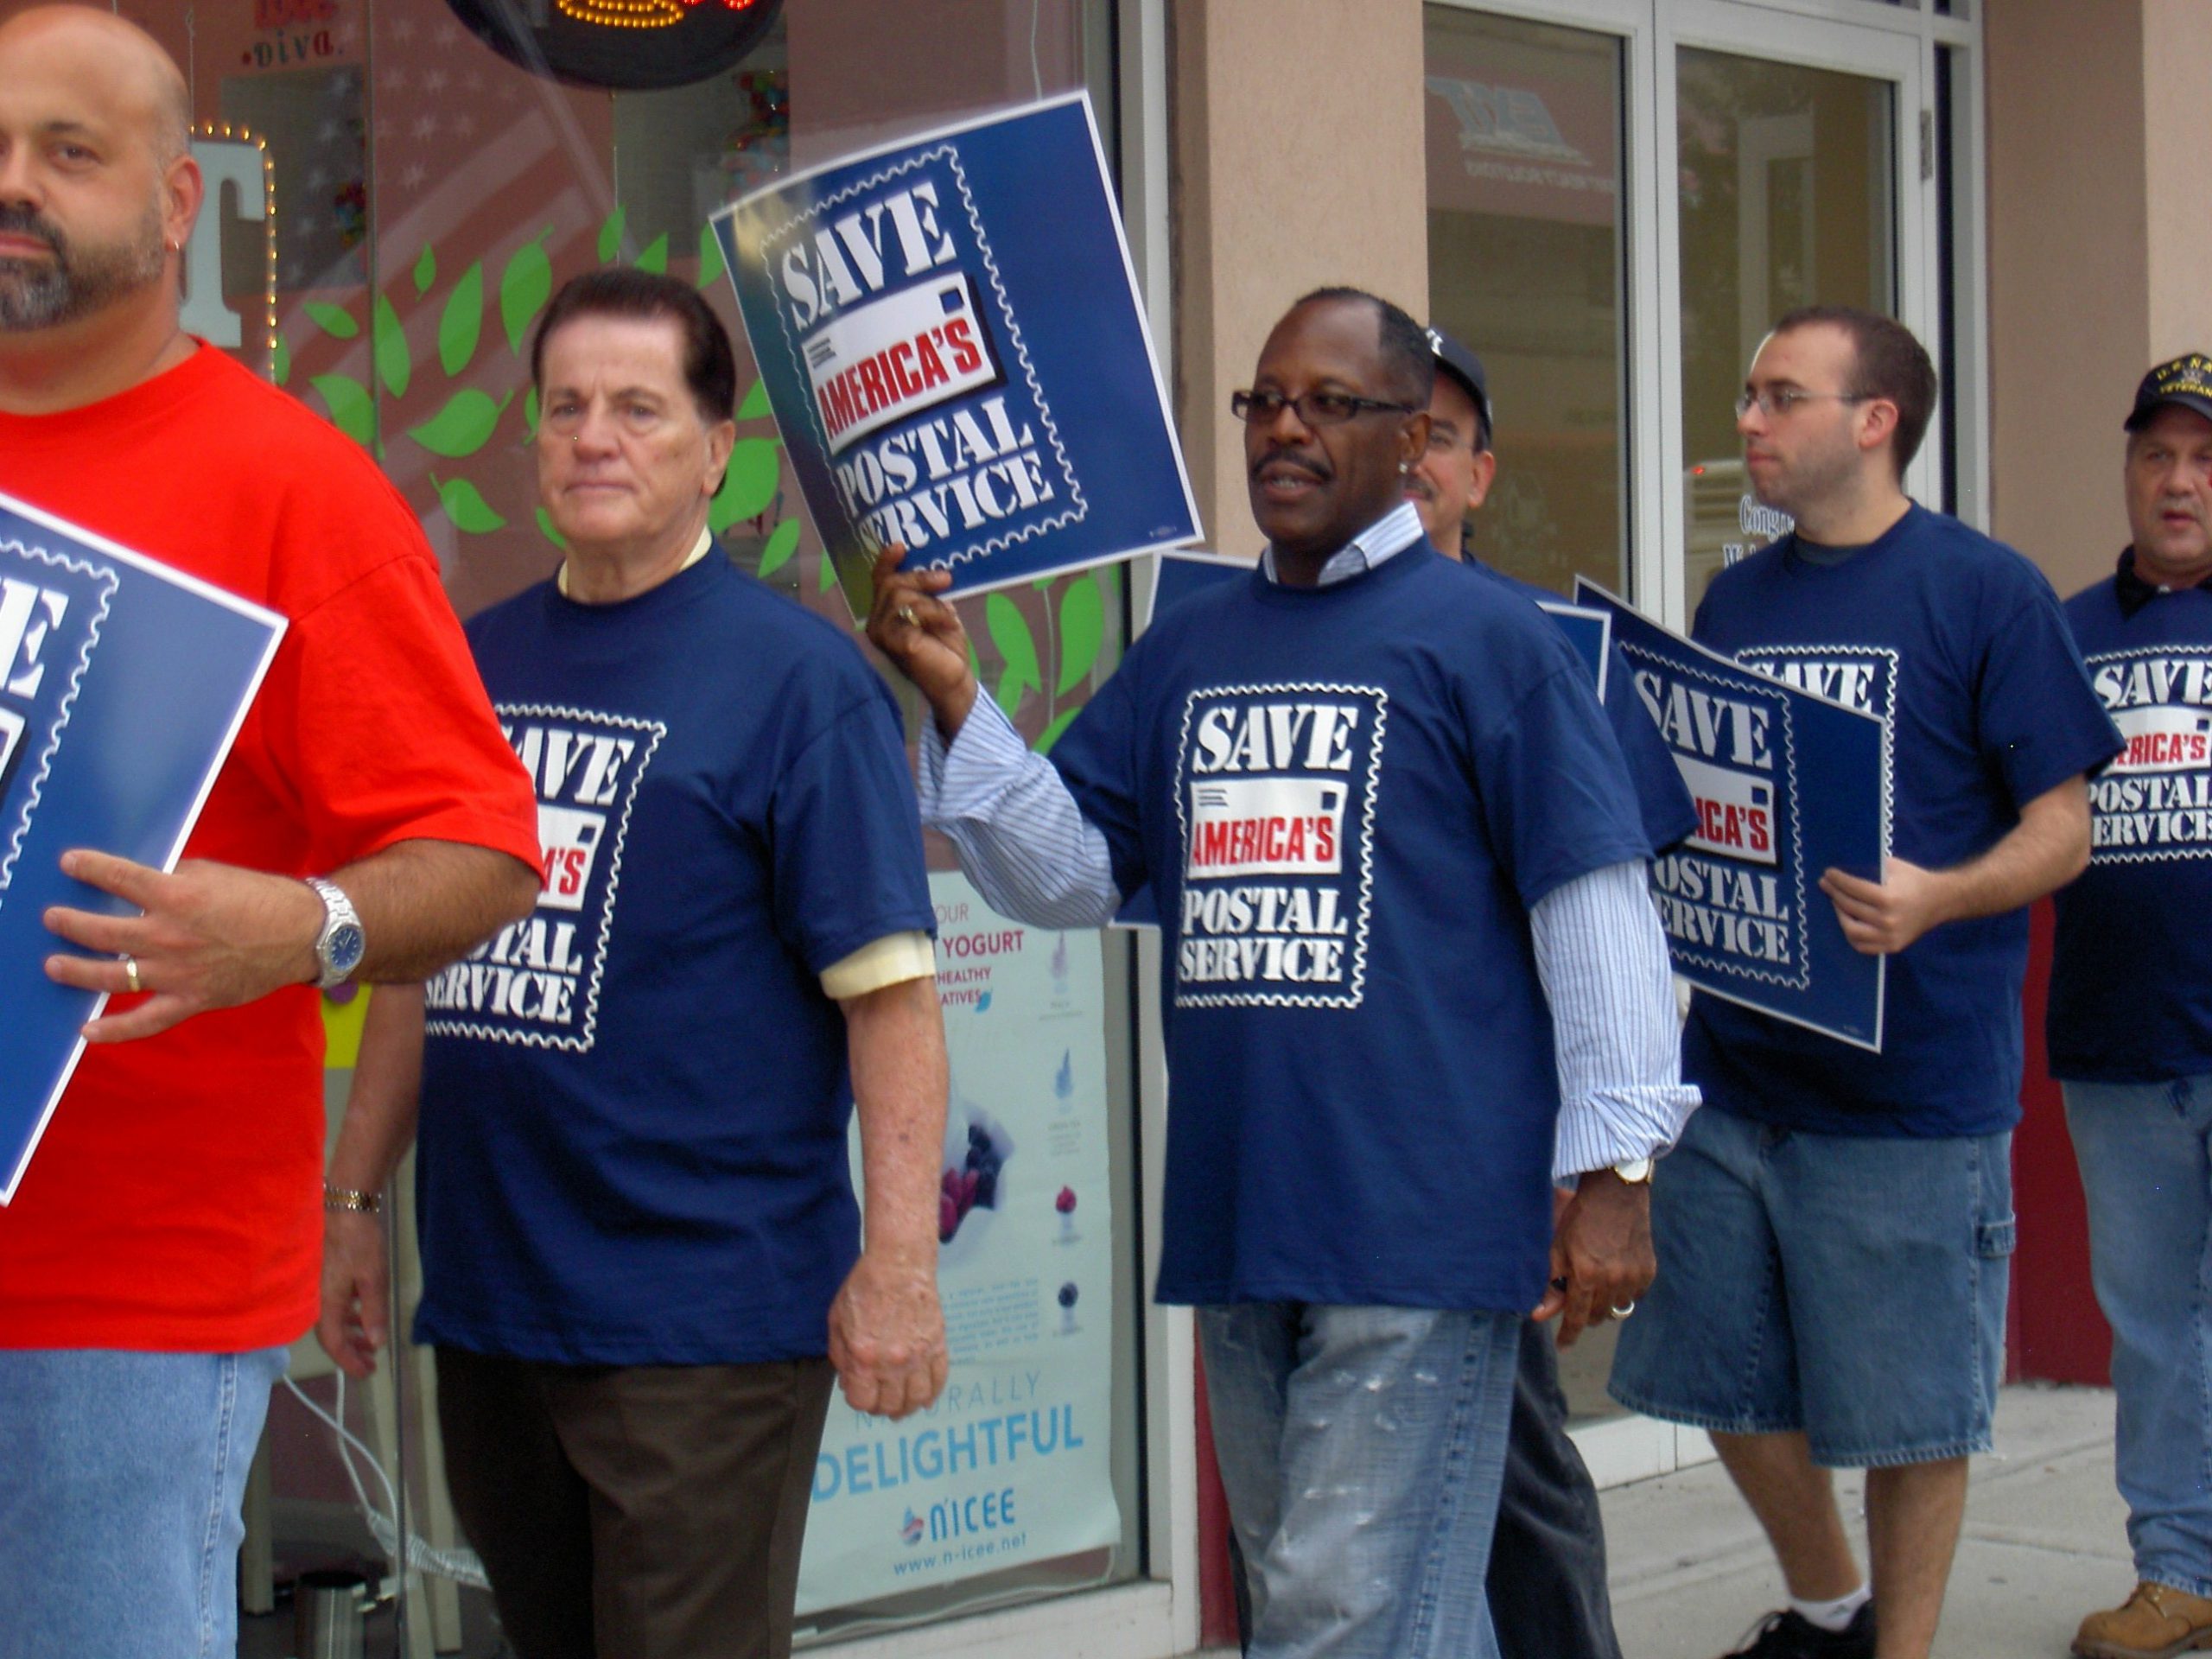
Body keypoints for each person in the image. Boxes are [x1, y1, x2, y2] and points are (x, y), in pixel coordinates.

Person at [868, 286, 1697, 1659]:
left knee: (1337, 1619)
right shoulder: (1191, 642)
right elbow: (1070, 873)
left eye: (1329, 402)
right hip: (1244, 1216)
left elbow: (1594, 905)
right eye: (1264, 401)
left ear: (1414, 440)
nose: (1285, 430)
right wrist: (962, 700)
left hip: (1421, 1230)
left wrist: (1619, 1175)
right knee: (1348, 1607)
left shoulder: (1492, 644)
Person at [0, 9, 543, 1658]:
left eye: (65, 154)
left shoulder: (290, 490)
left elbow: (484, 851)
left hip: (114, 1304)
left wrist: (294, 928)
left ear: (176, 205)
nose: (13, 186)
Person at [316, 269, 950, 1659]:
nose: (595, 436)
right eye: (567, 408)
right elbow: (419, 960)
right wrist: (356, 1195)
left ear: (718, 448)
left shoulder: (800, 684)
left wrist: (898, 1261)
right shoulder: (467, 667)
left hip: (702, 1329)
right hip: (490, 1305)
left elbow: (891, 997)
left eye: (639, 409)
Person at [1608, 306, 2122, 1659]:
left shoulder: (1983, 590)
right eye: (1750, 394)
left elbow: (2064, 824)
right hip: (1735, 1076)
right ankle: (1833, 1606)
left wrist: (1938, 895)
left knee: (1910, 1413)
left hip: (1915, 1094)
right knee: (1713, 1373)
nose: (1749, 422)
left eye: (1780, 397)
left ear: (1875, 420)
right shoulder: (1740, 597)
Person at [1408, 324, 1697, 1659]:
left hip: (1494, 1152)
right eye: (1386, 422)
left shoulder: (1555, 660)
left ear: (1483, 473)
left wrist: (1611, 1171)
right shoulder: (1262, 636)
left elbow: (1617, 912)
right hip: (1330, 1151)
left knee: (1511, 1480)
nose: (1412, 456)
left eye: (1442, 435)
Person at [2046, 353, 2212, 1659]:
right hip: (2117, 1045)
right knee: (2155, 1330)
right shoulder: (2063, 635)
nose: (2179, 480)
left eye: (2205, 459)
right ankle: (2177, 1569)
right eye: (2158, 455)